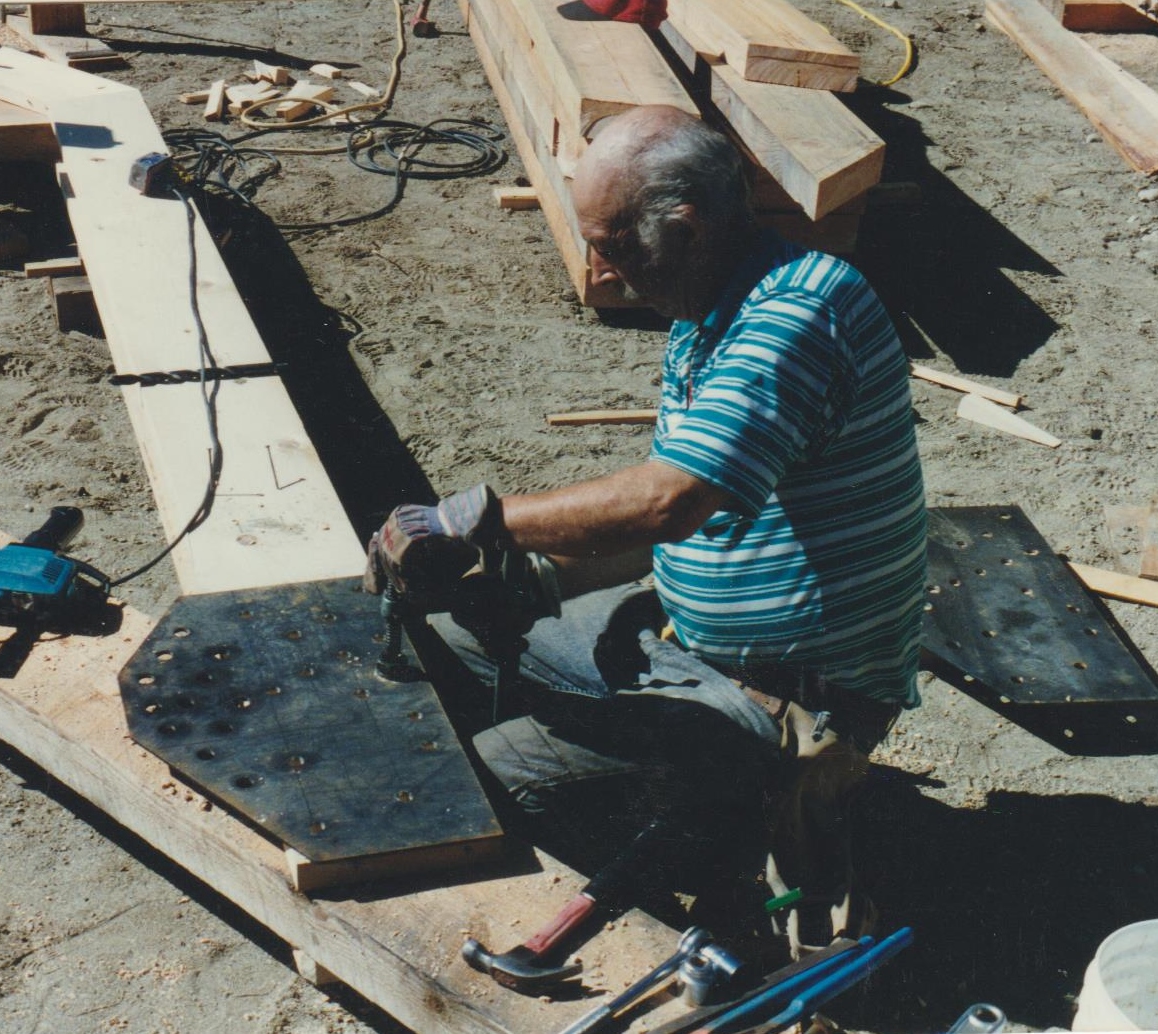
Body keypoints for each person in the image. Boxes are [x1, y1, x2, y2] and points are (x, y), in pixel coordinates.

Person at [365, 105, 927, 956]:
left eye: (614, 247)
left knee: (494, 774)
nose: (598, 270)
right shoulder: (717, 311)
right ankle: (691, 805)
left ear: (689, 229)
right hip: (699, 640)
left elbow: (672, 501)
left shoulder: (797, 318)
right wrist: (536, 574)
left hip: (788, 695)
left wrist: (474, 521)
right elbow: (681, 520)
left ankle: (726, 851)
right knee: (455, 637)